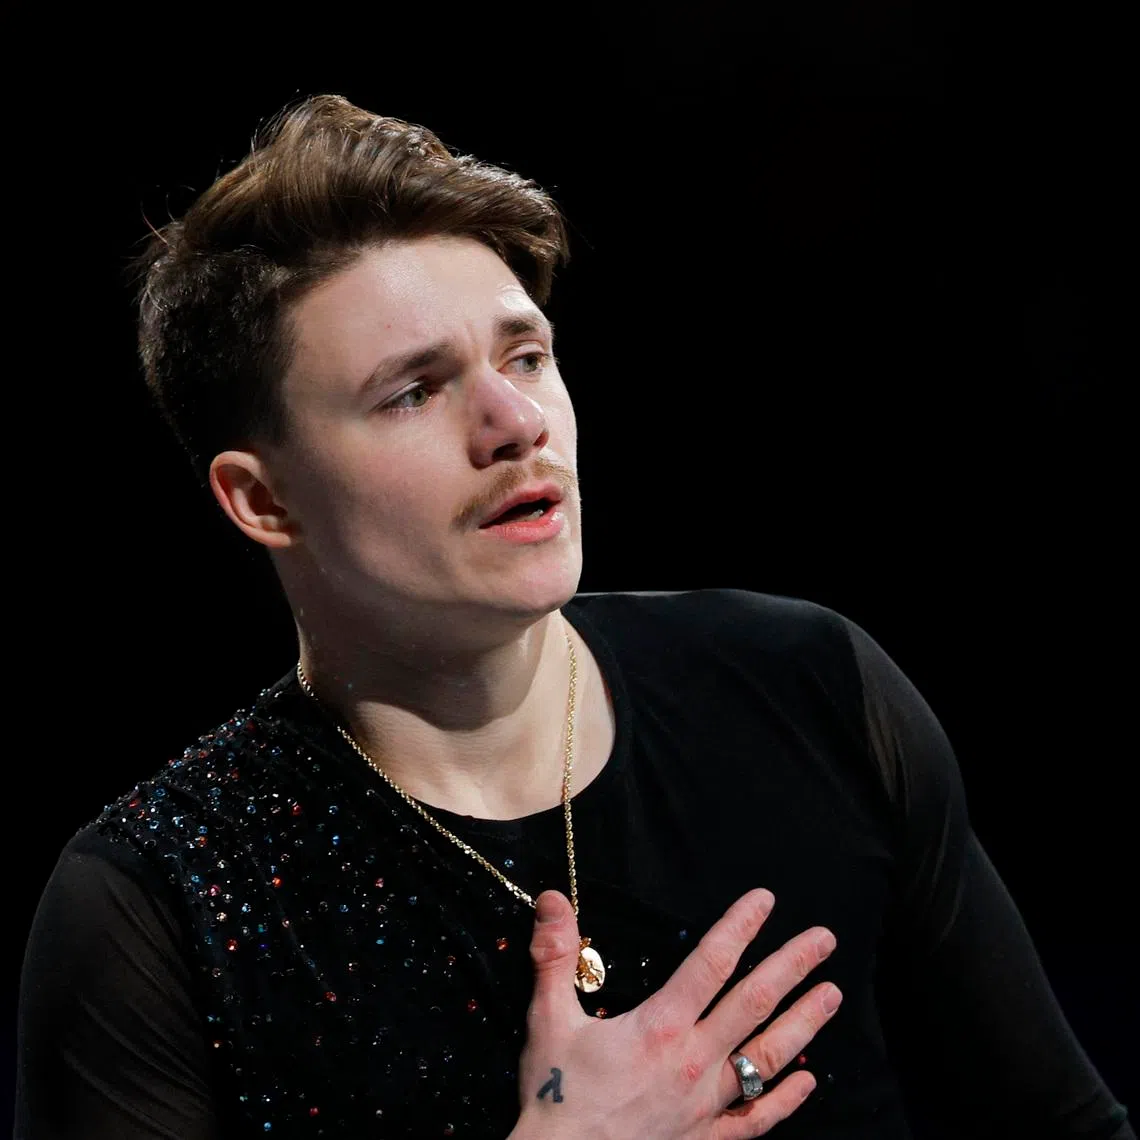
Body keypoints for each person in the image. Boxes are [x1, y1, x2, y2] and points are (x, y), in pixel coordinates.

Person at [14, 94, 1132, 1140]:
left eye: (527, 356)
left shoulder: (813, 689)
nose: (514, 423)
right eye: (413, 391)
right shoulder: (154, 906)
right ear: (264, 500)